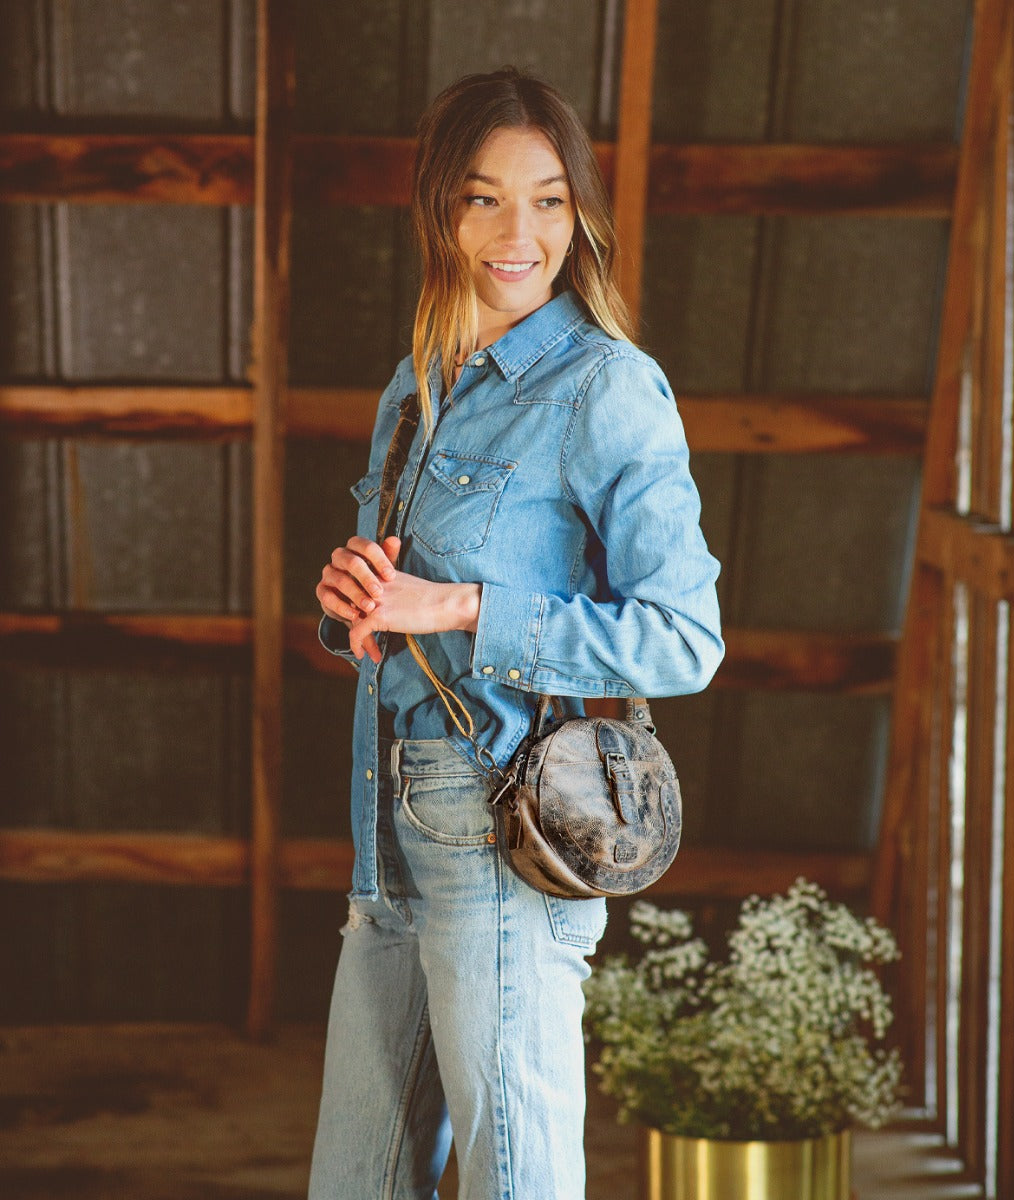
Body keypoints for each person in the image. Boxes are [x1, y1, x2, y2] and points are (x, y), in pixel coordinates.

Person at [309, 67, 724, 1200]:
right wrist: (356, 607)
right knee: (356, 1183)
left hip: (502, 834)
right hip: (385, 834)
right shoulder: (419, 384)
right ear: (439, 211)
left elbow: (683, 638)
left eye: (546, 199)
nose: (516, 232)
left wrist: (458, 607)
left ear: (578, 213)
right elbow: (390, 612)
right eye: (483, 198)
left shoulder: (607, 388)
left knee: (514, 1182)